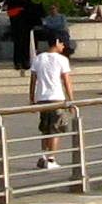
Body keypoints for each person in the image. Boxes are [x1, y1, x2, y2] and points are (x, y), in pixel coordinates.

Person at [28, 31, 74, 173]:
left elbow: (33, 80)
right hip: (56, 97)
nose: (64, 47)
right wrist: (71, 100)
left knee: (45, 128)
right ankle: (51, 158)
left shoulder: (38, 58)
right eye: (62, 44)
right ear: (57, 42)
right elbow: (66, 81)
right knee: (56, 129)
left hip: (42, 97)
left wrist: (32, 98)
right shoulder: (62, 60)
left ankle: (43, 155)